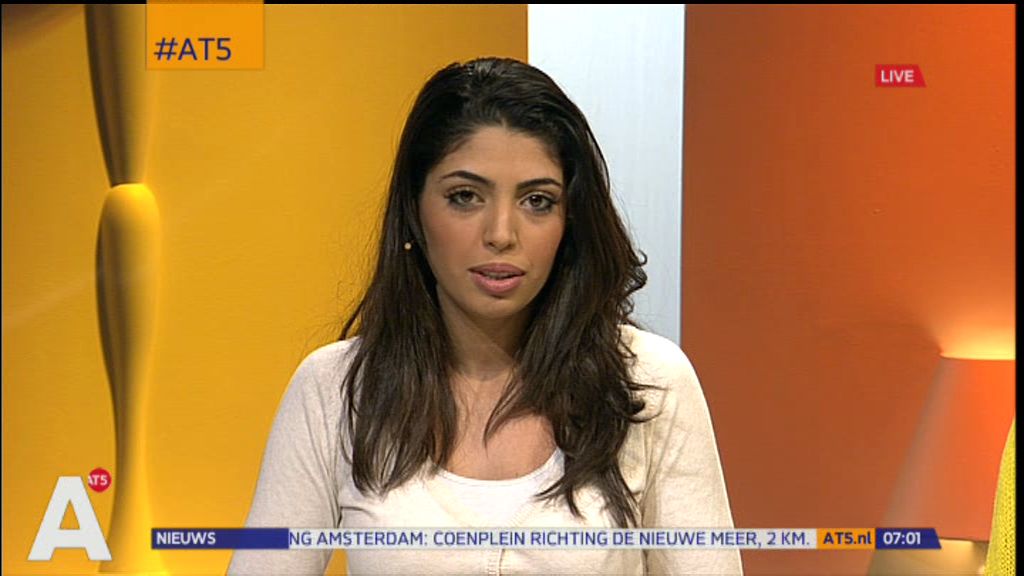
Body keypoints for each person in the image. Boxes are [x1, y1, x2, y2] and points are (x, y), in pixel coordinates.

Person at [228, 57, 742, 575]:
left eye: (537, 201)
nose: (501, 233)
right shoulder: (336, 389)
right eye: (465, 197)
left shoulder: (648, 383)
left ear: (570, 221)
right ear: (414, 212)